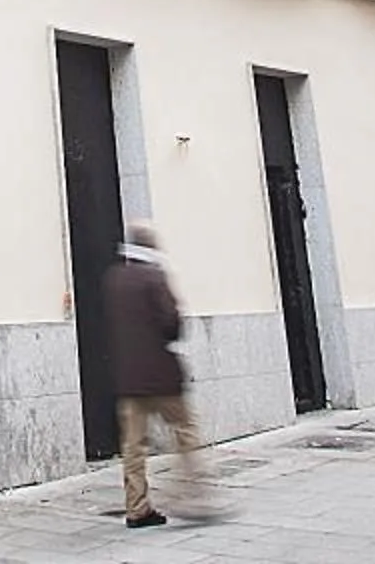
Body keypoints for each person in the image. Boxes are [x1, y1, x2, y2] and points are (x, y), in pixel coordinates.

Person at [104, 221, 214, 530]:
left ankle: (137, 508)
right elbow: (172, 325)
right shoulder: (155, 278)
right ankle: (193, 496)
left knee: (133, 446)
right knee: (186, 432)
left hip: (128, 378)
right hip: (162, 377)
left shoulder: (114, 279)